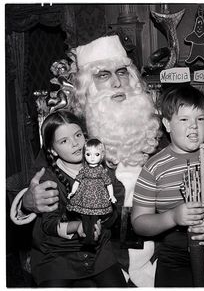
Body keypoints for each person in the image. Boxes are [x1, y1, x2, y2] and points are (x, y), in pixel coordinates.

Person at [10, 35, 162, 286]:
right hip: (95, 261)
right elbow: (39, 189)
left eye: (122, 72)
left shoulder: (155, 131)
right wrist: (28, 203)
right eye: (103, 75)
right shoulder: (71, 137)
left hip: (156, 260)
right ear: (86, 86)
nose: (116, 83)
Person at [131, 84, 204, 287]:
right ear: (167, 124)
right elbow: (140, 223)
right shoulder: (153, 168)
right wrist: (173, 216)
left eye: (200, 119)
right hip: (176, 252)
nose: (194, 126)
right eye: (184, 119)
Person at [29, 109, 127, 287]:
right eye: (64, 141)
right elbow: (49, 224)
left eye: (78, 135)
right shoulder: (48, 180)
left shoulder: (102, 170)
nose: (75, 144)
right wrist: (78, 226)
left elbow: (115, 212)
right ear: (53, 150)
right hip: (57, 258)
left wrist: (103, 215)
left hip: (98, 254)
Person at [67, 138, 117, 245]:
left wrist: (112, 195)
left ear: (102, 155)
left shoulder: (101, 171)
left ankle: (92, 238)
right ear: (84, 155)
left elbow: (108, 183)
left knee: (95, 221)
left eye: (97, 154)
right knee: (84, 218)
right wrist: (72, 192)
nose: (92, 158)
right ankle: (86, 238)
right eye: (88, 154)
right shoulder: (84, 170)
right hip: (84, 197)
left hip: (98, 198)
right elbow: (77, 181)